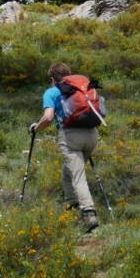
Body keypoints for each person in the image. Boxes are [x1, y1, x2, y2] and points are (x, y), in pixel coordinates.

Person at [30, 62, 100, 232]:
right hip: (92, 134)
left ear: (52, 78)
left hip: (70, 136)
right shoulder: (80, 89)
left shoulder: (52, 92)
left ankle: (89, 213)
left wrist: (35, 129)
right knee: (68, 171)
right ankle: (71, 203)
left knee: (78, 175)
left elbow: (48, 118)